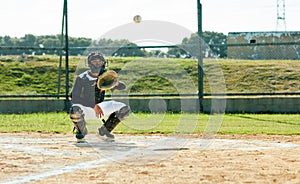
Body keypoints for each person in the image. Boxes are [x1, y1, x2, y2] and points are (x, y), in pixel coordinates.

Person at [69, 52, 130, 142]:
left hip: (101, 108)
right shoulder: (82, 78)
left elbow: (123, 87)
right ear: (89, 64)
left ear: (103, 63)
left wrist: (116, 83)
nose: (97, 63)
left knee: (125, 109)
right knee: (74, 110)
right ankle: (81, 132)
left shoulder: (105, 76)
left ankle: (104, 132)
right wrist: (93, 105)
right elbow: (74, 97)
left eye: (100, 61)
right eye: (94, 61)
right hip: (86, 109)